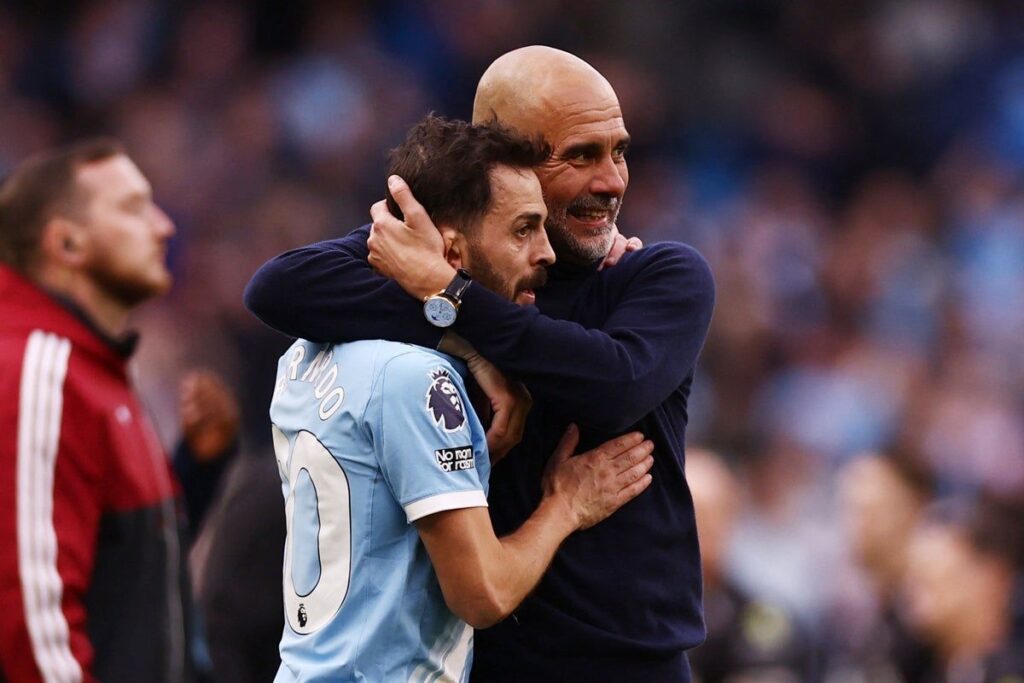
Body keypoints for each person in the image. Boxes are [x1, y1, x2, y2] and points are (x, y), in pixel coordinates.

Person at [245, 46, 715, 681]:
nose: (612, 180)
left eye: (619, 150)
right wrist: (460, 327)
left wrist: (449, 297)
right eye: (581, 155)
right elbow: (279, 287)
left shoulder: (657, 275)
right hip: (484, 660)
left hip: (630, 665)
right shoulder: (470, 260)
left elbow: (614, 384)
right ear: (508, 155)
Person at [0, 139, 232, 682]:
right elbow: (33, 621)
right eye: (132, 209)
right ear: (67, 241)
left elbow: (127, 579)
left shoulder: (92, 373)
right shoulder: (40, 372)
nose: (163, 227)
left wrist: (197, 472)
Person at [685, 448, 815, 683]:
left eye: (717, 512)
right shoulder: (641, 613)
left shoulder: (763, 619)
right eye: (695, 514)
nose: (708, 527)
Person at [902, 497, 1024, 682]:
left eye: (929, 578)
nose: (912, 591)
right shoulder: (910, 663)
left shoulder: (1013, 668)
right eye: (914, 576)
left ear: (991, 576)